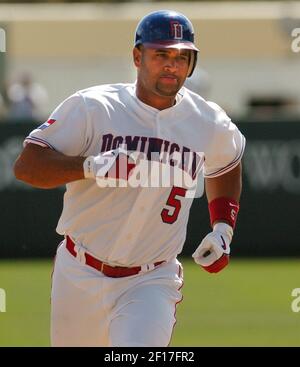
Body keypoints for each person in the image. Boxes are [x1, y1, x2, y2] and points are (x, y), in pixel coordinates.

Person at [13, 10, 245, 347]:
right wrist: (90, 167)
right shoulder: (94, 107)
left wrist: (223, 227)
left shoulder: (208, 121)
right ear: (138, 56)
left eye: (182, 56)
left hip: (151, 278)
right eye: (161, 54)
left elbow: (228, 162)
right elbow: (27, 166)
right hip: (79, 271)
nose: (172, 65)